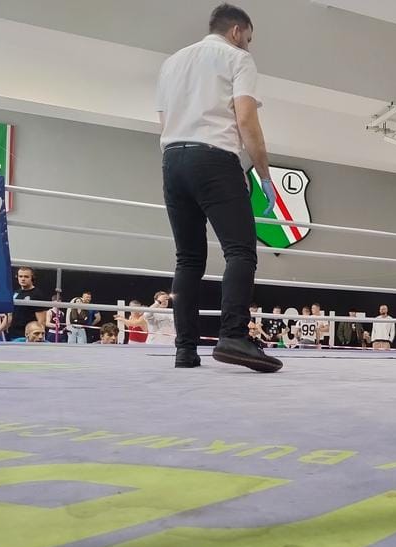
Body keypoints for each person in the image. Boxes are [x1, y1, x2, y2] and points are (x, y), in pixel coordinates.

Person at [157, 3, 281, 372]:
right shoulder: (237, 58)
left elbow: (164, 121)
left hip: (172, 160)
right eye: (249, 38)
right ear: (236, 31)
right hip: (214, 157)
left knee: (188, 258)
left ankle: (185, 349)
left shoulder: (171, 63)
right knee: (240, 251)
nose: (249, 45)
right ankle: (233, 336)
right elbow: (246, 119)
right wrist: (263, 174)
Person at [7, 267, 47, 341]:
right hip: (13, 334)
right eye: (20, 276)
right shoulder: (16, 293)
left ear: (32, 278)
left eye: (26, 276)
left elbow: (41, 320)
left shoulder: (37, 294)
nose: (23, 279)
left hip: (28, 337)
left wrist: (40, 337)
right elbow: (10, 316)